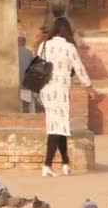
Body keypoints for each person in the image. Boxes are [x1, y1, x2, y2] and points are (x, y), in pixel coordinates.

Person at [38, 17, 97, 177]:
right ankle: (47, 165)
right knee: (56, 127)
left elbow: (38, 65)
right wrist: (89, 87)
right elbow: (79, 67)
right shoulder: (69, 47)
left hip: (45, 89)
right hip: (60, 89)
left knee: (58, 124)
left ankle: (65, 163)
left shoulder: (43, 45)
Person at [18, 31, 36, 113]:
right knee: (31, 101)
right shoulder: (28, 53)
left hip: (16, 84)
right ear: (24, 41)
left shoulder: (11, 52)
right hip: (26, 84)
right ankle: (32, 114)